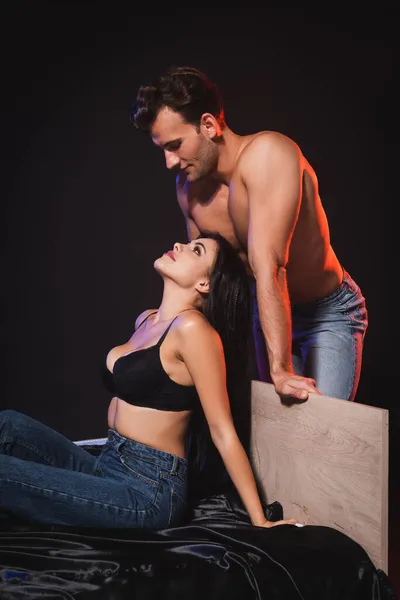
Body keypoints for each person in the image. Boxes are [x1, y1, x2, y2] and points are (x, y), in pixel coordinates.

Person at [0, 232, 299, 530]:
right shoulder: (147, 320)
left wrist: (259, 518)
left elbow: (222, 430)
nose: (178, 245)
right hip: (109, 461)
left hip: (147, 491)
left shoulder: (194, 330)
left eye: (196, 251)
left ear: (204, 283)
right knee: (8, 424)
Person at [130, 66, 369, 403]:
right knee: (274, 438)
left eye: (175, 145)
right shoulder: (188, 188)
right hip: (266, 310)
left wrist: (280, 370)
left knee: (319, 439)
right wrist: (161, 329)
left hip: (326, 314)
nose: (169, 162)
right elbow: (206, 281)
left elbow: (268, 266)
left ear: (209, 125)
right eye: (162, 150)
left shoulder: (268, 155)